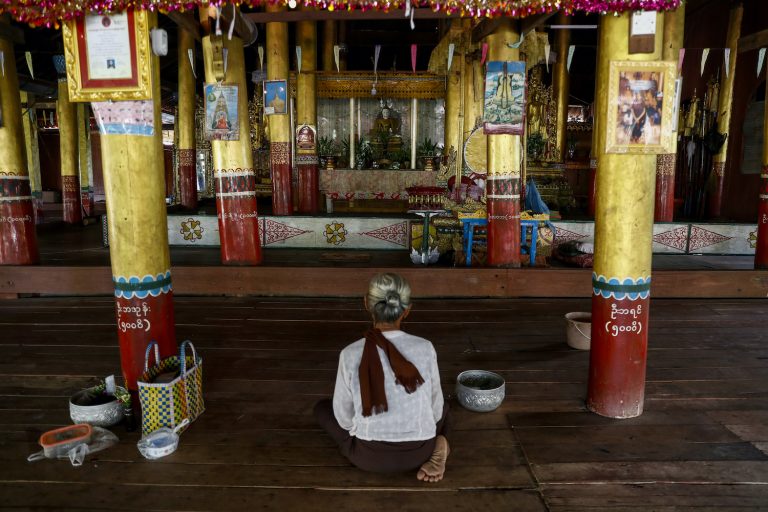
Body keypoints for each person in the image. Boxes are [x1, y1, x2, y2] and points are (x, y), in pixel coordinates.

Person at [314, 273, 451, 482]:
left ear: (366, 303)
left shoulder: (350, 353)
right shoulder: (425, 347)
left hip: (368, 457)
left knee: (322, 409)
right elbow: (435, 409)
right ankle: (441, 444)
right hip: (420, 452)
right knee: (445, 409)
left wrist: (368, 426)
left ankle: (365, 441)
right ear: (407, 310)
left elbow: (343, 417)